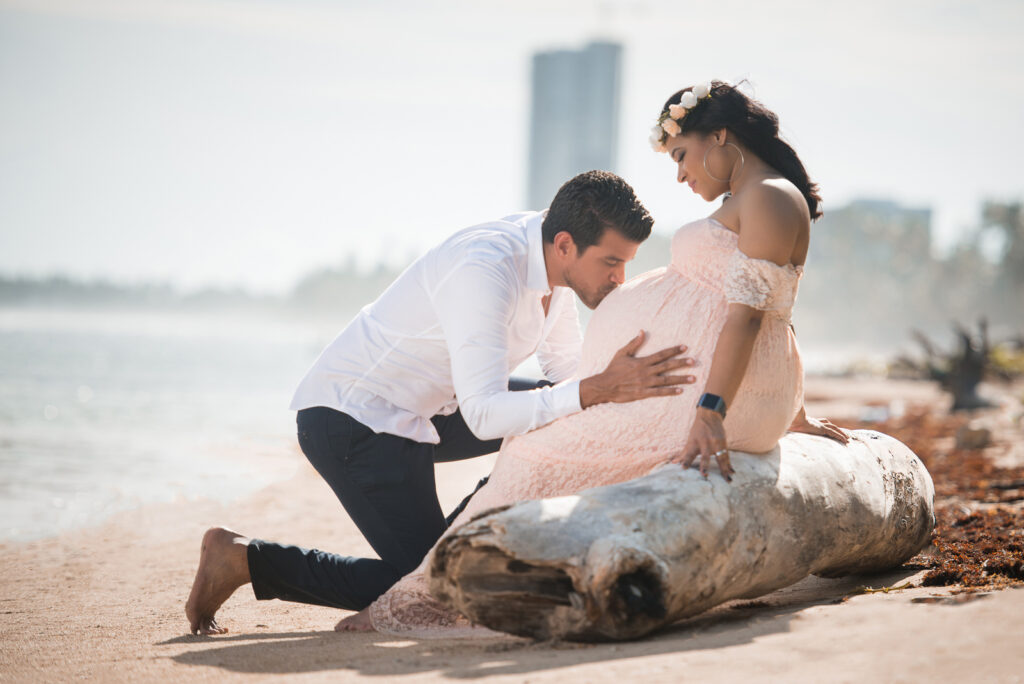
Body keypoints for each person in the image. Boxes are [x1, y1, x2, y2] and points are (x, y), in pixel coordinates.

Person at [350, 80, 849, 636]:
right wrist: (790, 408)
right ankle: (463, 578)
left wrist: (712, 409)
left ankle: (449, 592)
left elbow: (754, 317)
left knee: (533, 451)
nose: (681, 175)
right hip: (720, 391)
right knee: (544, 439)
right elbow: (774, 308)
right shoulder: (758, 197)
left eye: (682, 156)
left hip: (707, 395)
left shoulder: (767, 196)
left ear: (721, 137)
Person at [185, 170, 700, 635]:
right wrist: (594, 392)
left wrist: (628, 396)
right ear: (565, 243)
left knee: (565, 411)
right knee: (435, 584)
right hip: (355, 421)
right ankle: (245, 561)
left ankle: (480, 518)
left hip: (433, 410)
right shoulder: (486, 269)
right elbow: (488, 413)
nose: (619, 279)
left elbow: (565, 370)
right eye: (611, 262)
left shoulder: (554, 265)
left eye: (625, 264)